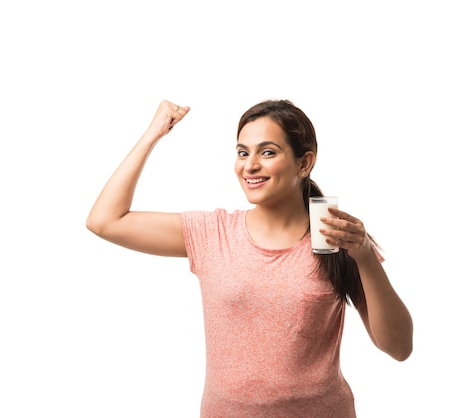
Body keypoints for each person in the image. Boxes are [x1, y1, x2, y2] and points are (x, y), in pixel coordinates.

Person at [86, 99, 413, 417]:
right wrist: (153, 133)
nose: (249, 165)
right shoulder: (213, 233)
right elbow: (105, 221)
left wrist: (365, 256)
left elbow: (399, 347)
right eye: (243, 152)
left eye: (267, 152)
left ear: (304, 162)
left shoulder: (337, 238)